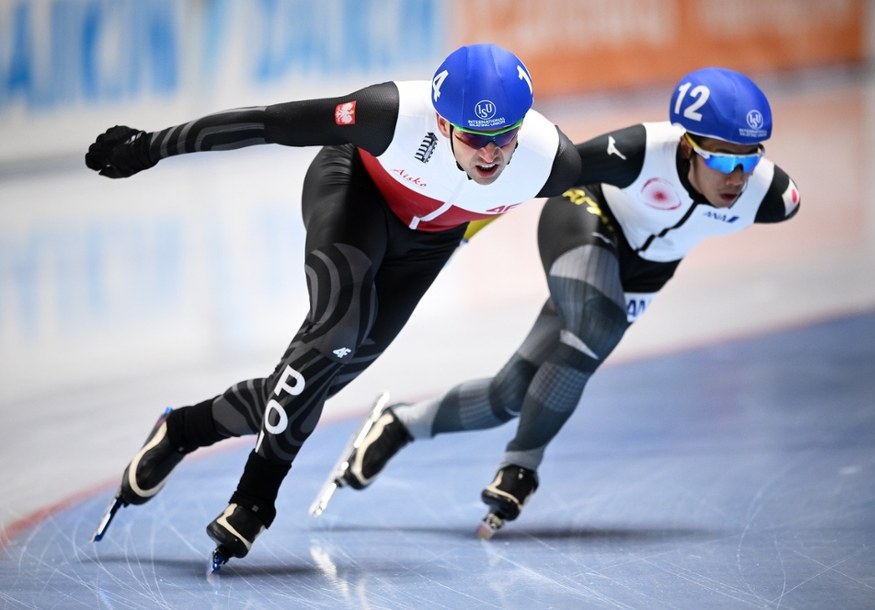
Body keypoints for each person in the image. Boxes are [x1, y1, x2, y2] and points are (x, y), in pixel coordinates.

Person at [85, 43, 582, 563]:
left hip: (428, 244)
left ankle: (184, 429)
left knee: (312, 383)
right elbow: (269, 124)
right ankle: (254, 500)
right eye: (476, 137)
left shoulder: (554, 161)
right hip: (355, 194)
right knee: (337, 334)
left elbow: (620, 178)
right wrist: (149, 147)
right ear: (440, 122)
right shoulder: (389, 116)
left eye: (504, 137)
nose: (491, 154)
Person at [337, 67, 801, 535]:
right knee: (598, 323)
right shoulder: (638, 152)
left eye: (749, 159)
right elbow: (526, 177)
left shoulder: (774, 198)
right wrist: (452, 234)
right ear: (685, 146)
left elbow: (753, 187)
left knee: (510, 395)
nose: (737, 176)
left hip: (643, 272)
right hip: (584, 216)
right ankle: (522, 467)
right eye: (722, 161)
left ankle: (400, 425)